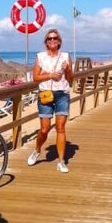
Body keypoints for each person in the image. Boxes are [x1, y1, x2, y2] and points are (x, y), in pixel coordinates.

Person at [27, 28, 74, 173]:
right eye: (49, 39)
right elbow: (35, 77)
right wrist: (50, 75)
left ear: (59, 41)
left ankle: (61, 161)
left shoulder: (66, 56)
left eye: (54, 38)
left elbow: (71, 80)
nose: (52, 40)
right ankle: (37, 150)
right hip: (46, 94)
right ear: (46, 42)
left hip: (62, 94)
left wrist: (67, 71)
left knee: (60, 127)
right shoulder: (40, 56)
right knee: (44, 129)